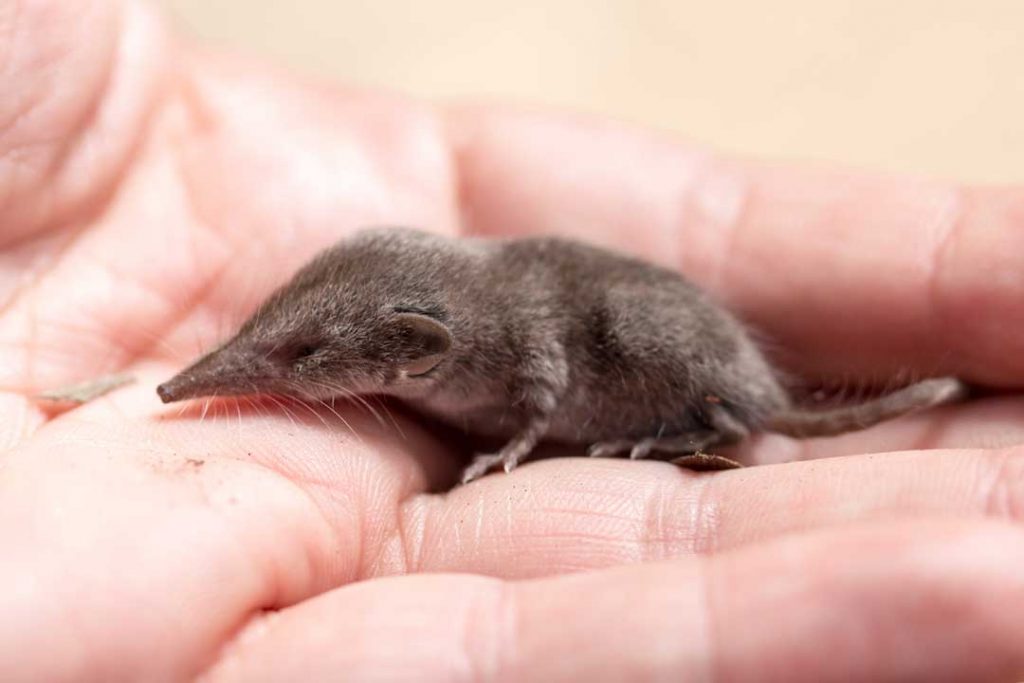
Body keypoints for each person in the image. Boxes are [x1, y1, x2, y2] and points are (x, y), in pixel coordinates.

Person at [1, 1, 1022, 680]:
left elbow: (539, 370)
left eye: (303, 358)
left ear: (413, 349)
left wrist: (522, 438)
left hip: (679, 377)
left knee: (636, 332)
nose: (208, 382)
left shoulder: (503, 336)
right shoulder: (434, 313)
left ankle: (710, 418)